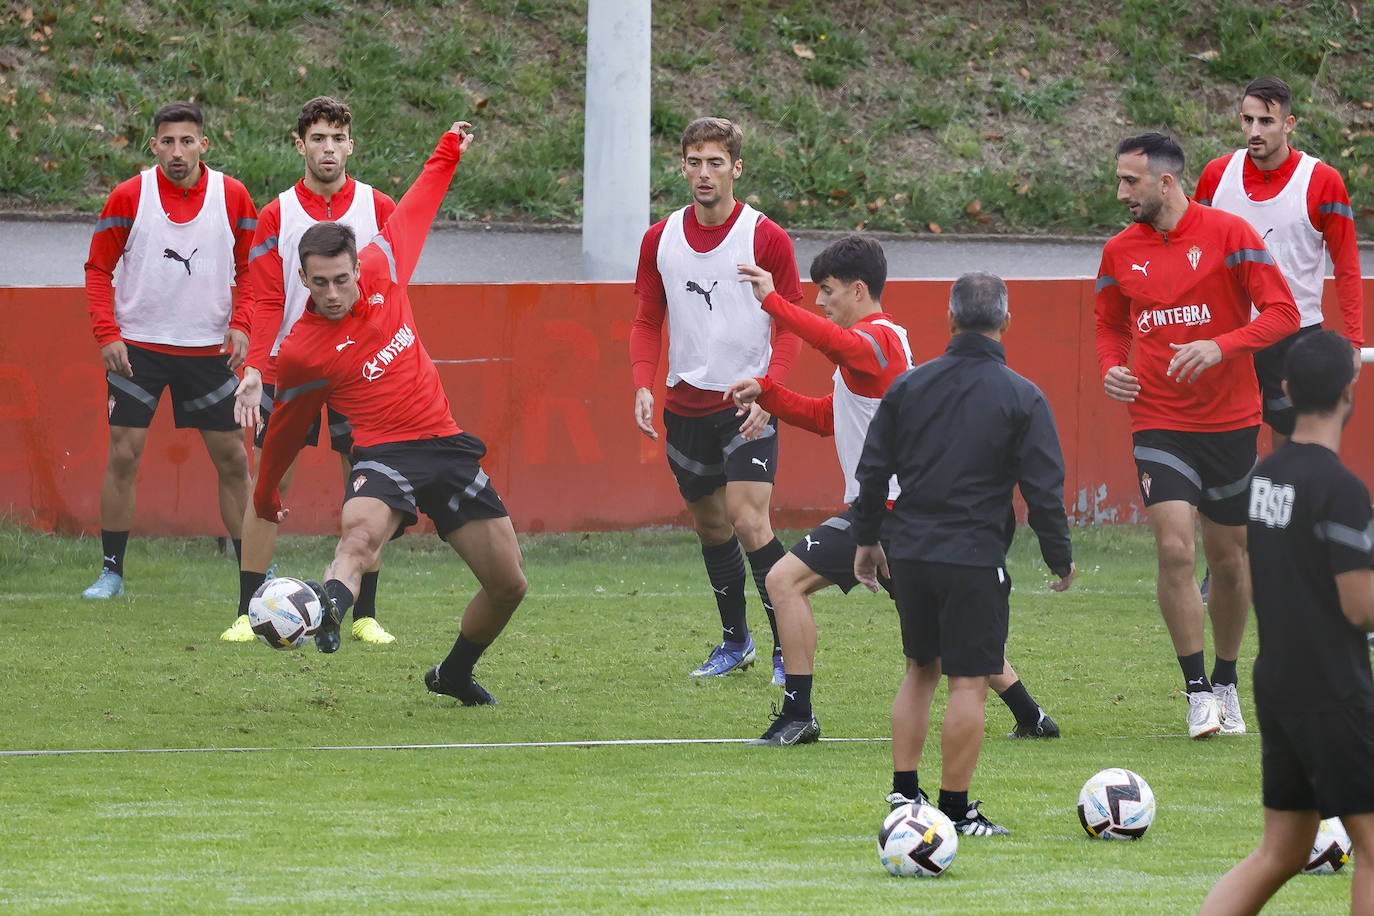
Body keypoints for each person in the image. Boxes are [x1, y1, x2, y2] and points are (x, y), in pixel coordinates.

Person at [728, 237, 1060, 746]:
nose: (820, 301)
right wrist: (768, 393)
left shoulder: (876, 340)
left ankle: (799, 715)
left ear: (859, 290)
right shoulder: (874, 347)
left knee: (782, 581)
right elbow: (827, 418)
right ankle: (1032, 716)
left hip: (889, 511)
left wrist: (775, 302)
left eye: (828, 291)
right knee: (947, 635)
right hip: (895, 510)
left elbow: (837, 345)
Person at [255, 120, 526, 705]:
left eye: (342, 280)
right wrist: (264, 491)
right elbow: (285, 428)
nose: (331, 293)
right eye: (319, 283)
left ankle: (452, 674)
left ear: (360, 268)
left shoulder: (386, 262)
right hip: (383, 454)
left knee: (508, 584)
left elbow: (421, 201)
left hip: (446, 445)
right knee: (359, 539)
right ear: (302, 277)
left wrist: (448, 150)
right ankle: (329, 608)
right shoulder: (301, 351)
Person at [851, 271, 1075, 837]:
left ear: (949, 320)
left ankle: (903, 794)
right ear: (1006, 323)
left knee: (918, 670)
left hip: (913, 552)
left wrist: (867, 540)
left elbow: (873, 471)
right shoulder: (1023, 395)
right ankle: (956, 809)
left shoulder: (908, 387)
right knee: (968, 680)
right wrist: (1058, 555)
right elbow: (1043, 490)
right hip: (974, 555)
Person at [1095, 132, 1300, 739]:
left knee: (1230, 560)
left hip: (1232, 420)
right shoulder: (1117, 251)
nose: (1121, 191)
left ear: (1166, 181)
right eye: (1118, 179)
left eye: (1130, 180)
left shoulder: (1230, 235)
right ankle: (1195, 691)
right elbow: (1108, 326)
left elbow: (1283, 313)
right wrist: (1111, 368)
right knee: (1175, 548)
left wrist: (1221, 345)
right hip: (1158, 419)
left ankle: (1227, 679)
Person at [1198, 329, 1374, 916]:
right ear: (1351, 392)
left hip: (1277, 682)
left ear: (1287, 390)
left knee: (1284, 848)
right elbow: (1358, 606)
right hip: (1332, 688)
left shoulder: (1266, 479)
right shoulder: (1342, 490)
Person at [630, 117, 803, 682]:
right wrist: (641, 383)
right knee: (712, 528)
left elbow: (794, 324)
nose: (704, 173)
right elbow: (646, 321)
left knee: (750, 520)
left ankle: (785, 648)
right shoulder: (660, 239)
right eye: (694, 162)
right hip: (685, 406)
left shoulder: (766, 237)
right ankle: (736, 643)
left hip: (746, 404)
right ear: (682, 166)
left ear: (737, 168)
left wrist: (770, 391)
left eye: (716, 162)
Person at [222, 96, 398, 648]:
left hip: (360, 370)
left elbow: (394, 292)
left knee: (368, 485)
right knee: (267, 486)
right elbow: (267, 298)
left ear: (351, 145)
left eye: (337, 138)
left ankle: (364, 614)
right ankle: (248, 612)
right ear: (300, 145)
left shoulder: (379, 207)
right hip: (290, 366)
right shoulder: (276, 213)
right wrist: (255, 366)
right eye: (317, 138)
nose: (328, 148)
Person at [81, 100, 257, 599]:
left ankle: (254, 576)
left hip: (209, 352)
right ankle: (111, 572)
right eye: (167, 141)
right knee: (123, 456)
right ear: (152, 144)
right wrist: (107, 333)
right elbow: (97, 270)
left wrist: (243, 323)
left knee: (233, 461)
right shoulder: (129, 194)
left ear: (205, 144)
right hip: (137, 349)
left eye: (187, 141)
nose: (177, 151)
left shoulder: (234, 196)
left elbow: (253, 272)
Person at [1194, 75, 1364, 451]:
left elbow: (1347, 266)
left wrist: (1353, 339)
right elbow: (1193, 254)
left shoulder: (1322, 180)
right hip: (1229, 334)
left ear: (1289, 124)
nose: (1254, 130)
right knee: (1226, 450)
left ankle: (1287, 512)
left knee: (1293, 451)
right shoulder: (1217, 175)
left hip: (1295, 335)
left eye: (1266, 122)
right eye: (1247, 120)